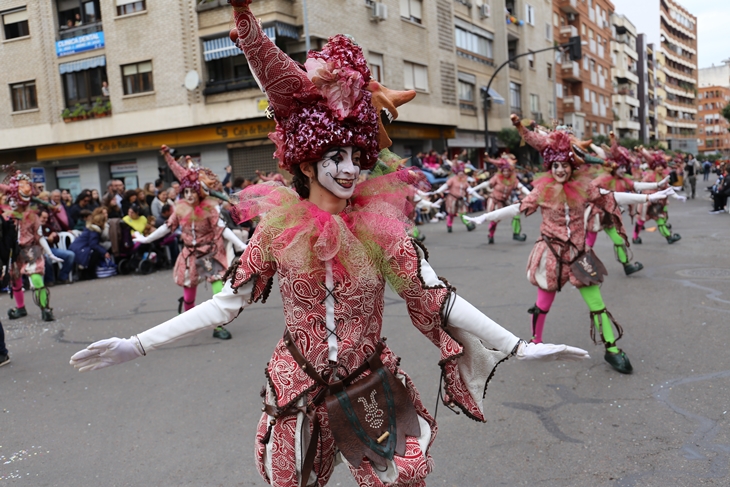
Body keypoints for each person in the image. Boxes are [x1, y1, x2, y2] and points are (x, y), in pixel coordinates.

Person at [70, 10, 588, 487]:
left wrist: (521, 346)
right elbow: (226, 303)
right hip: (296, 383)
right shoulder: (277, 229)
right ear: (306, 157)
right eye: (334, 155)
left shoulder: (383, 232)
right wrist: (134, 345)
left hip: (368, 386)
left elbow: (437, 298)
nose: (347, 169)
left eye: (357, 156)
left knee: (405, 476)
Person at [467, 115, 677, 374]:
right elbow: (516, 208)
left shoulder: (585, 187)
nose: (559, 170)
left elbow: (611, 196)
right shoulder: (542, 191)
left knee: (597, 304)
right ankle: (535, 342)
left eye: (564, 164)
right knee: (543, 304)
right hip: (551, 253)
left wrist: (651, 195)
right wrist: (484, 217)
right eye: (554, 165)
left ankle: (612, 349)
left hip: (579, 255)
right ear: (549, 166)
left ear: (571, 165)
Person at [132, 145, 246, 340]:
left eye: (192, 192)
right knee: (188, 296)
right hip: (189, 255)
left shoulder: (210, 209)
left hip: (209, 254)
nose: (189, 196)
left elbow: (222, 229)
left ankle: (218, 326)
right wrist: (145, 239)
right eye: (185, 193)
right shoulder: (180, 209)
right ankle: (186, 322)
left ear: (199, 193)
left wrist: (241, 245)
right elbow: (166, 228)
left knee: (218, 291)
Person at [585, 133, 670, 276]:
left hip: (610, 217)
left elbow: (635, 185)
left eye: (625, 167)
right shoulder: (601, 179)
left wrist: (657, 184)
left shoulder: (622, 179)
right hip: (596, 215)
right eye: (621, 167)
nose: (624, 171)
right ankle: (583, 267)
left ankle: (627, 265)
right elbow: (588, 192)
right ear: (612, 167)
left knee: (619, 240)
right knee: (589, 243)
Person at [1, 170, 61, 322]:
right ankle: (20, 307)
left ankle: (45, 308)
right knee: (15, 279)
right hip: (12, 252)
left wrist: (50, 253)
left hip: (30, 250)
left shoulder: (32, 216)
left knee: (36, 278)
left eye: (15, 200)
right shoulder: (6, 216)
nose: (12, 203)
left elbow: (39, 236)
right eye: (10, 200)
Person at [468, 153, 529, 244]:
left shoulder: (513, 179)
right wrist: (473, 189)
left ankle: (516, 234)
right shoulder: (497, 177)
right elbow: (486, 184)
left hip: (505, 201)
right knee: (494, 218)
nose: (506, 173)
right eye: (504, 171)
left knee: (516, 214)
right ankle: (491, 235)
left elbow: (521, 187)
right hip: (494, 200)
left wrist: (531, 194)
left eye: (508, 171)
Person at [633, 147, 683, 245]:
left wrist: (676, 195)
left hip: (657, 204)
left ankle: (669, 237)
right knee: (640, 222)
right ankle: (635, 237)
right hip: (646, 204)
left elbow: (667, 188)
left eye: (661, 166)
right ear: (654, 167)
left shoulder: (664, 177)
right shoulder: (649, 176)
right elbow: (641, 186)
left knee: (660, 220)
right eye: (658, 166)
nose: (660, 168)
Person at [434, 162, 476, 233]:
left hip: (461, 200)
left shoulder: (464, 181)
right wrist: (437, 191)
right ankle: (449, 226)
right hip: (452, 199)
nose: (461, 173)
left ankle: (468, 225)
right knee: (451, 213)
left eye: (462, 171)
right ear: (457, 172)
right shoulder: (452, 179)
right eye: (459, 171)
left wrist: (468, 198)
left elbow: (468, 190)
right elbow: (446, 186)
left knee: (463, 213)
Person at [69, 208, 110, 281]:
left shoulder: (90, 228)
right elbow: (93, 244)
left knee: (96, 251)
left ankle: (88, 273)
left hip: (77, 247)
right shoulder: (94, 231)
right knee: (96, 253)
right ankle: (90, 273)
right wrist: (104, 252)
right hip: (80, 250)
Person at [39, 209, 75, 285]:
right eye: (43, 218)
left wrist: (53, 238)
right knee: (47, 258)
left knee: (70, 255)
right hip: (39, 251)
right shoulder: (34, 227)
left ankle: (63, 277)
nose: (45, 220)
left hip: (51, 249)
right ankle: (49, 280)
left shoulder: (47, 227)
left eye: (46, 218)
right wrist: (47, 238)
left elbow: (56, 237)